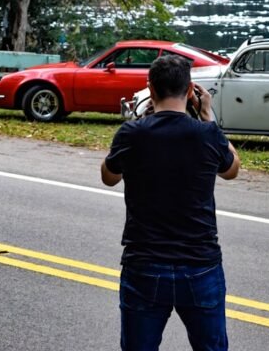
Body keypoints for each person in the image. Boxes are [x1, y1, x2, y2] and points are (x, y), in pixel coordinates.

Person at [101, 54, 240, 351]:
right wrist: (207, 116)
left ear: (150, 89)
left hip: (144, 265)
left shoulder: (132, 134)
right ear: (190, 91)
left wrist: (138, 123)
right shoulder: (208, 134)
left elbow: (108, 177)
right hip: (200, 265)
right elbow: (232, 169)